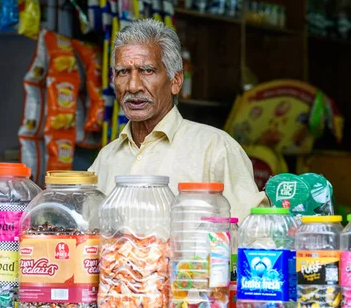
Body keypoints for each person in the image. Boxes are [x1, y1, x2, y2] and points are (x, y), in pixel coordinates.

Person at [89, 19, 266, 219]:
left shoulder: (215, 149)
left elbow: (253, 236)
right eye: (123, 72)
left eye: (147, 70)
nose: (132, 86)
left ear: (176, 81)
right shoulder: (106, 158)